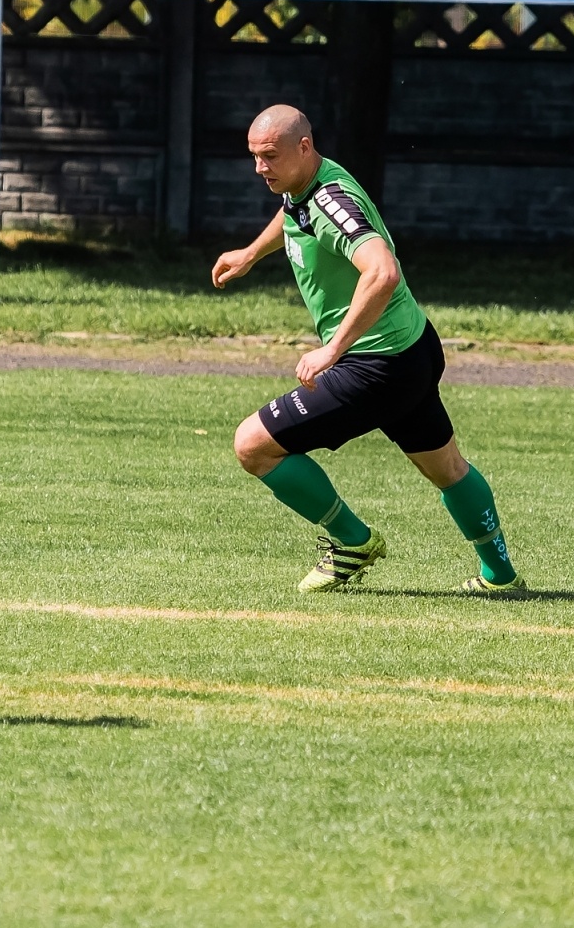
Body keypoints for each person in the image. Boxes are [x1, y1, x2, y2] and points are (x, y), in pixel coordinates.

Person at [211, 105, 523, 595]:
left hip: (377, 364)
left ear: (304, 147)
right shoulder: (305, 185)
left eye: (269, 157)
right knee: (447, 468)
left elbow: (383, 271)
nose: (260, 169)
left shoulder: (333, 201)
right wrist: (251, 253)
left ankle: (353, 542)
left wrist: (331, 350)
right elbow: (295, 213)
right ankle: (500, 576)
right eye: (254, 157)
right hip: (413, 347)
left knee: (252, 445)